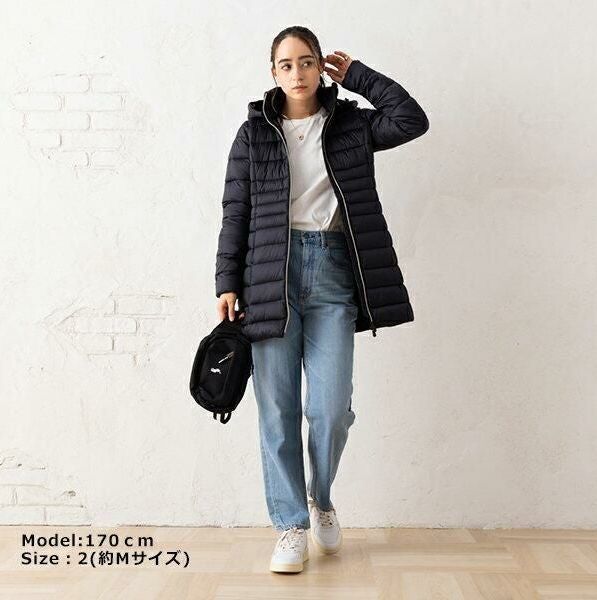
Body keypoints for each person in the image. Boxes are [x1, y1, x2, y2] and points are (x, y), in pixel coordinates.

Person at [215, 26, 429, 574]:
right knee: (278, 411)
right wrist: (227, 283)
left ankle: (321, 499)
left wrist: (358, 76)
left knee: (330, 410)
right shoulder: (253, 134)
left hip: (333, 271)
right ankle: (290, 525)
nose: (298, 73)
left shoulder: (351, 125)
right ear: (273, 73)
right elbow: (236, 211)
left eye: (307, 61)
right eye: (286, 64)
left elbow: (411, 119)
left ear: (320, 67)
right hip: (270, 276)